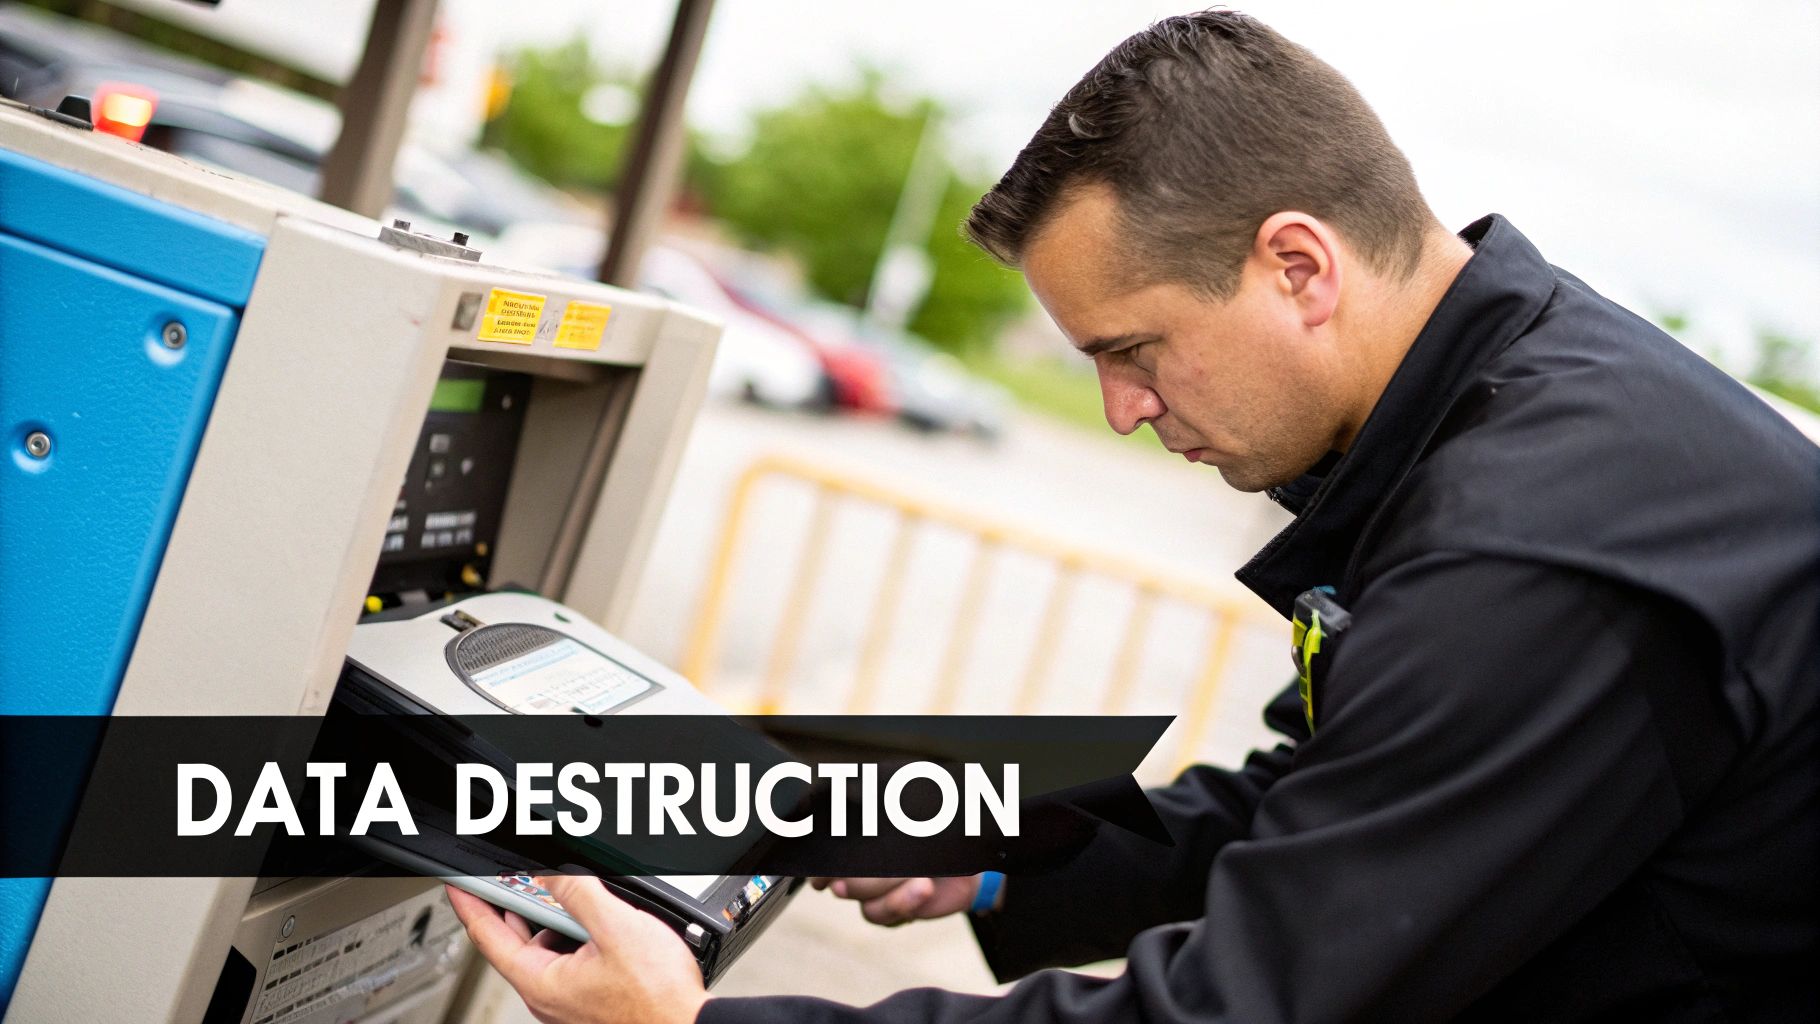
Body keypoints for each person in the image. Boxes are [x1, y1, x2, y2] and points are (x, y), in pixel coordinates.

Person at [448, 10, 1820, 1022]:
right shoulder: (1501, 401)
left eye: (1134, 349)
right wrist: (1000, 860)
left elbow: (1256, 1008)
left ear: (1298, 267)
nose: (1119, 409)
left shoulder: (1537, 550)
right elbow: (1332, 805)